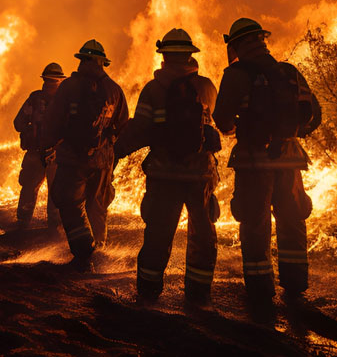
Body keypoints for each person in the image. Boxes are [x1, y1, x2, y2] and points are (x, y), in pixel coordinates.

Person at [212, 17, 322, 312]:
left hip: (254, 164)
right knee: (292, 219)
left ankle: (261, 290)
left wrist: (236, 127)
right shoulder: (288, 71)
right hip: (290, 161)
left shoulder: (236, 74)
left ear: (236, 45)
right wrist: (288, 136)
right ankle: (296, 283)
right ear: (263, 41)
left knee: (255, 223)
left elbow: (221, 118)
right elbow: (314, 114)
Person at [115, 28, 221, 307]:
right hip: (200, 174)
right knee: (202, 232)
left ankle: (148, 290)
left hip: (163, 173)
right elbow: (221, 126)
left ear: (164, 56)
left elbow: (140, 129)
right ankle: (198, 292)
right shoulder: (207, 87)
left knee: (159, 233)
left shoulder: (153, 89)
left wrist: (116, 151)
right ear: (190, 55)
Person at [42, 39, 129, 271]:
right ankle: (98, 254)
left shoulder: (69, 87)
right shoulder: (115, 90)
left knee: (67, 198)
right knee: (97, 205)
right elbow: (122, 126)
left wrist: (47, 146)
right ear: (102, 62)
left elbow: (53, 121)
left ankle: (83, 249)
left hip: (72, 157)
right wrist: (112, 153)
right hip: (103, 159)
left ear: (82, 60)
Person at [12, 62, 67, 230]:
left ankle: (22, 225)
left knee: (30, 188)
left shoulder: (35, 98)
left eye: (51, 81)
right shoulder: (66, 101)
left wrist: (31, 130)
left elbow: (18, 123)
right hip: (55, 155)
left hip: (37, 153)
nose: (50, 84)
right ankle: (53, 229)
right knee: (55, 193)